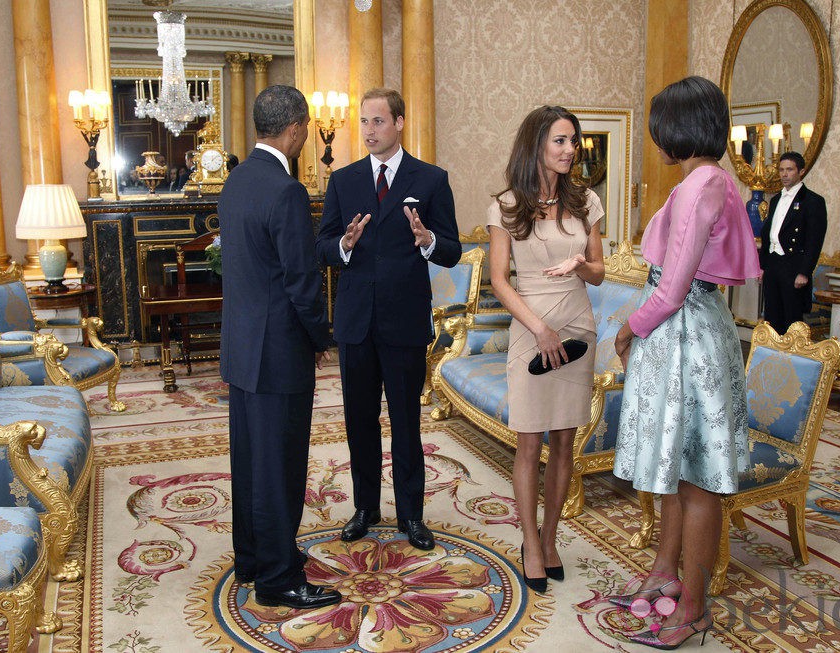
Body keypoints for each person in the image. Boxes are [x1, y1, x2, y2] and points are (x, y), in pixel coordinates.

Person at [611, 76, 761, 649]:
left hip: (686, 337)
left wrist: (629, 327)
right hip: (695, 331)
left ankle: (694, 608)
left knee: (696, 477)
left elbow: (672, 288)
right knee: (675, 468)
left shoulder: (700, 183)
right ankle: (664, 571)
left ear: (675, 128)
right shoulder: (713, 179)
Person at [316, 87, 461, 551]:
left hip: (403, 324)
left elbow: (454, 250)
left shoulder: (432, 179)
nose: (368, 131)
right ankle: (365, 508)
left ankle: (412, 516)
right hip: (356, 322)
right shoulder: (344, 180)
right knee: (360, 420)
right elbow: (323, 245)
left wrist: (428, 240)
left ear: (399, 122)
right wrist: (345, 245)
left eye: (378, 121)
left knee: (405, 423)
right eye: (364, 122)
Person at [218, 85, 341, 611]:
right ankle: (277, 577)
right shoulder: (286, 190)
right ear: (295, 129)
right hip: (279, 352)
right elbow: (301, 281)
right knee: (280, 465)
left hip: (243, 349)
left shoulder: (237, 181)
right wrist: (322, 336)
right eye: (307, 127)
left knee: (250, 458)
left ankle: (250, 556)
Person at [486, 106, 605, 593]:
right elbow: (498, 280)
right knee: (529, 440)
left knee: (563, 443)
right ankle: (529, 544)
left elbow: (599, 271)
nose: (570, 150)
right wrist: (538, 328)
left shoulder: (586, 202)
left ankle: (551, 539)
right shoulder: (506, 206)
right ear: (536, 144)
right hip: (530, 326)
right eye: (560, 141)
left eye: (573, 141)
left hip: (577, 326)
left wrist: (580, 264)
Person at [759, 151, 827, 335]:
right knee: (772, 317)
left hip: (793, 267)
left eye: (789, 169)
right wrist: (762, 266)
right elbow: (768, 235)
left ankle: (790, 362)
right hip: (773, 263)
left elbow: (814, 240)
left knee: (791, 319)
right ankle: (773, 360)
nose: (784, 174)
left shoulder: (813, 201)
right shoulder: (775, 200)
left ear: (801, 171)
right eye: (781, 170)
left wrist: (804, 272)